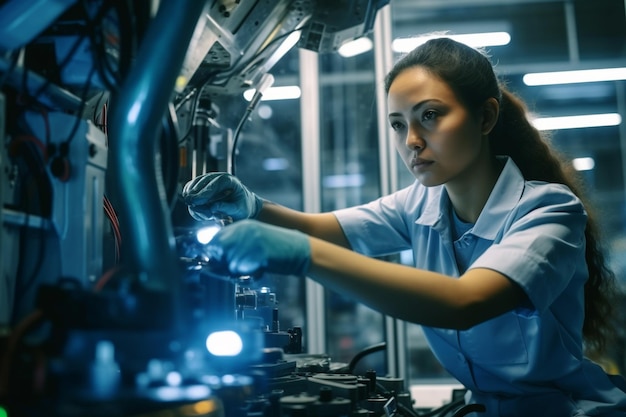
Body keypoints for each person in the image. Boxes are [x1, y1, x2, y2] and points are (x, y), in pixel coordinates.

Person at [182, 37, 626, 416]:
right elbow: (329, 229)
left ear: (486, 117)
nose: (411, 141)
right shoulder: (423, 203)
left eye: (430, 116)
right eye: (398, 124)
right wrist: (253, 206)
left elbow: (465, 302)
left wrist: (303, 256)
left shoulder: (548, 211)